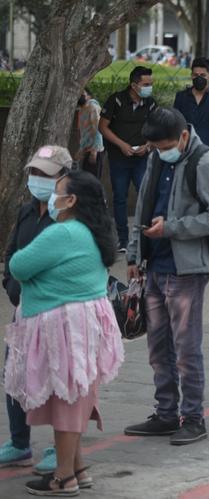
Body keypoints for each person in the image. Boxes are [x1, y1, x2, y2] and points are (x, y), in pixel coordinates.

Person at [5, 170, 123, 495]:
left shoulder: (64, 233)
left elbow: (18, 265)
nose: (51, 197)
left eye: (57, 190)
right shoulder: (91, 230)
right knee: (73, 397)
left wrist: (36, 279)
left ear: (71, 200)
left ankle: (63, 477)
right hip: (82, 323)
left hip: (65, 325)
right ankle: (78, 469)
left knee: (67, 401)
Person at [123, 108, 209, 445]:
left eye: (165, 144)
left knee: (187, 348)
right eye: (154, 146)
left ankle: (193, 418)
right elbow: (142, 204)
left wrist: (171, 229)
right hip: (154, 266)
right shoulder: (158, 158)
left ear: (183, 136)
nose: (159, 150)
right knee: (158, 348)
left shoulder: (207, 163)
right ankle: (166, 413)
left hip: (187, 271)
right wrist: (134, 252)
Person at [1, 147, 73, 473]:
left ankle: (63, 448)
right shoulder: (27, 211)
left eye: (45, 174)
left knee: (61, 381)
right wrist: (13, 288)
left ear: (63, 178)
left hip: (59, 314)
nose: (37, 180)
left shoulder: (72, 214)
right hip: (25, 312)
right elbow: (13, 253)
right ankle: (18, 444)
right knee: (13, 375)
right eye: (34, 173)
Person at [99, 65, 157, 251]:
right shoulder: (116, 100)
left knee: (145, 194)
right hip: (119, 158)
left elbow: (157, 129)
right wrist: (121, 145)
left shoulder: (151, 103)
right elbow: (103, 127)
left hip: (142, 157)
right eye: (145, 84)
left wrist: (147, 145)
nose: (149, 87)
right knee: (120, 197)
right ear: (134, 85)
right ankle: (122, 239)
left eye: (151, 83)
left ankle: (144, 236)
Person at [173, 56, 209, 161]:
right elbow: (175, 126)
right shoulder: (181, 97)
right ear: (191, 76)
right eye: (196, 75)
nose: (199, 78)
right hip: (185, 153)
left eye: (203, 75)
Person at [76, 89, 105, 179]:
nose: (80, 96)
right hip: (87, 150)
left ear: (89, 96)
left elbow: (98, 128)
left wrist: (94, 150)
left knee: (92, 181)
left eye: (82, 93)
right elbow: (84, 132)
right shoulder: (82, 109)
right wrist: (81, 150)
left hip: (94, 150)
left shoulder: (92, 107)